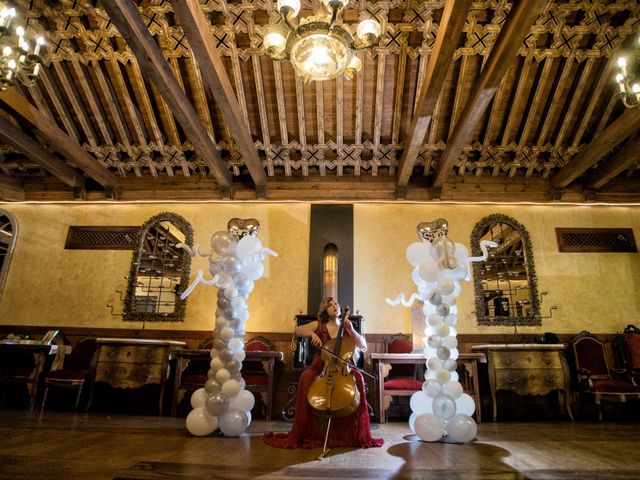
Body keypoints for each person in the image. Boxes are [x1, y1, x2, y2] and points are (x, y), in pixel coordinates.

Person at [263, 297, 383, 449]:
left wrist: (352, 330)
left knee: (358, 376)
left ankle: (356, 432)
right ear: (325, 310)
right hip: (321, 366)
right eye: (330, 305)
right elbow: (297, 330)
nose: (335, 306)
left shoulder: (346, 327)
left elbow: (363, 345)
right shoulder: (318, 325)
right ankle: (306, 431)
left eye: (336, 304)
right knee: (306, 377)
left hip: (342, 366)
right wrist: (312, 334)